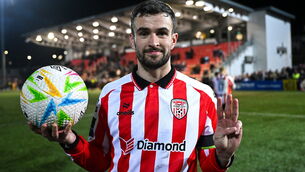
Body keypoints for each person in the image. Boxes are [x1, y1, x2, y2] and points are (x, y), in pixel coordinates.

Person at [29, 0, 242, 171]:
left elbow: (208, 165)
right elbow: (99, 162)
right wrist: (69, 139)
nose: (153, 41)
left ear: (174, 39)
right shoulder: (110, 94)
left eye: (161, 32)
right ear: (132, 41)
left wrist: (223, 156)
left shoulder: (202, 95)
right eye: (144, 33)